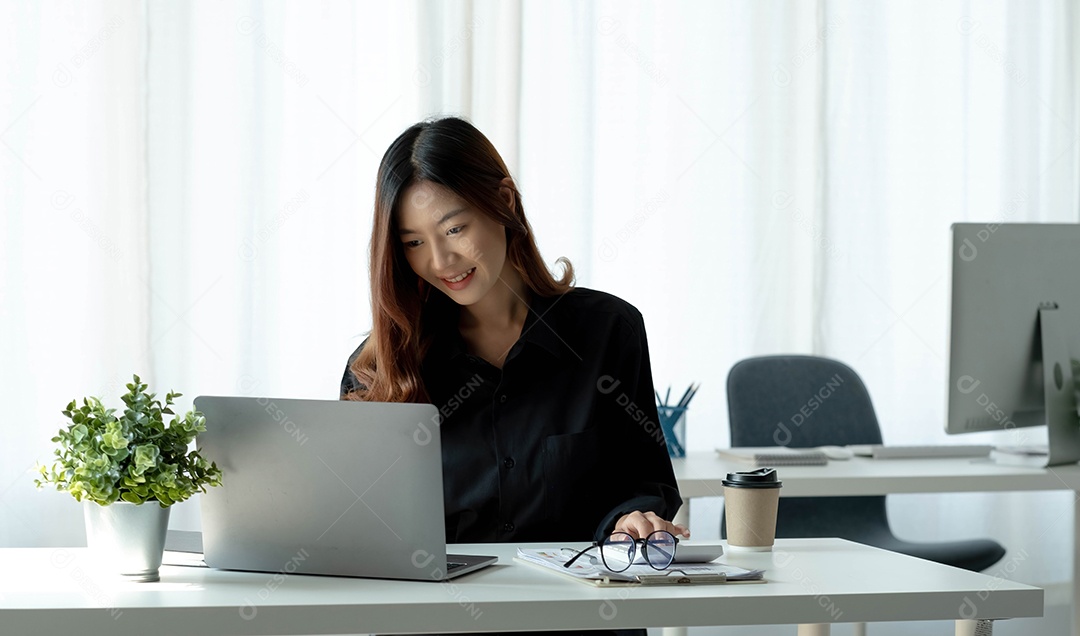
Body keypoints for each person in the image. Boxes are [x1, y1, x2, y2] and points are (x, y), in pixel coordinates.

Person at [340, 116, 685, 554]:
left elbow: (645, 480)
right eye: (413, 243)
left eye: (453, 229)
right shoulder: (377, 368)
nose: (441, 260)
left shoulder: (608, 332)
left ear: (503, 201)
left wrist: (631, 519)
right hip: (437, 619)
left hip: (577, 612)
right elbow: (360, 529)